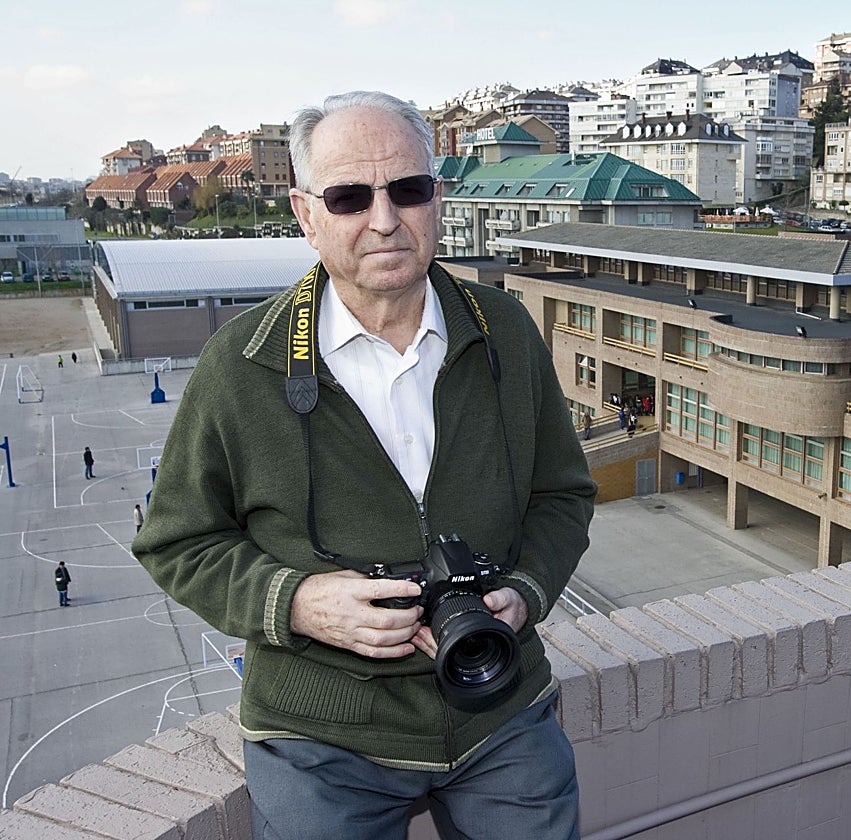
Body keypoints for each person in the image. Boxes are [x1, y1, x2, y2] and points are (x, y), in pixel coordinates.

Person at [133, 91, 595, 840]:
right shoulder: (241, 364)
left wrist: (526, 592)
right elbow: (176, 541)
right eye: (350, 196)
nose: (384, 220)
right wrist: (295, 603)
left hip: (497, 702)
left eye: (407, 190)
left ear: (437, 199)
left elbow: (563, 495)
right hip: (323, 734)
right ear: (306, 213)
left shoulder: (504, 329)